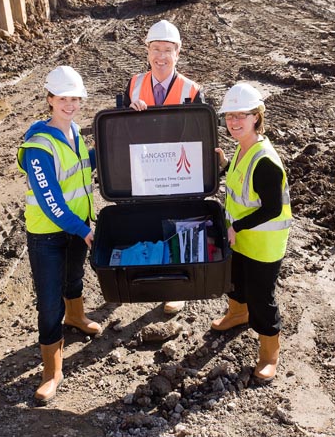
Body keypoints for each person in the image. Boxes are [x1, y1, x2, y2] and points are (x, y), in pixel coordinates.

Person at [17, 65, 102, 404]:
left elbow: (84, 167)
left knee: (74, 279)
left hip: (74, 227)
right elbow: (50, 200)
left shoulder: (75, 133)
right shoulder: (38, 146)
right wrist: (85, 231)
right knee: (50, 302)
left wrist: (117, 138)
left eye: (75, 98)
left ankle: (78, 316)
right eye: (63, 98)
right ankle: (52, 372)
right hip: (48, 235)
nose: (70, 104)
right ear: (50, 99)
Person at [211, 82, 292, 383]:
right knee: (236, 282)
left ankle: (269, 355)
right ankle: (237, 314)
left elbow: (271, 209)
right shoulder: (244, 149)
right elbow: (241, 181)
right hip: (241, 238)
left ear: (256, 116)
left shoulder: (266, 161)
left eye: (241, 115)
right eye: (229, 116)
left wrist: (237, 227)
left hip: (263, 244)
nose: (233, 122)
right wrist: (223, 165)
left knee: (261, 297)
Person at [124, 19, 204, 314]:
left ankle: (174, 290)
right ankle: (145, 279)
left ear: (178, 52)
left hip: (177, 175)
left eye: (167, 50)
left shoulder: (191, 90)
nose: (161, 56)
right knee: (145, 222)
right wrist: (128, 112)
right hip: (145, 170)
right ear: (147, 51)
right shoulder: (134, 85)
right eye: (155, 49)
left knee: (176, 225)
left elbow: (201, 134)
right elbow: (119, 131)